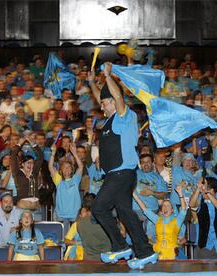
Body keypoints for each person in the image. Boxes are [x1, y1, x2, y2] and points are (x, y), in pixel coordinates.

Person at [88, 63, 157, 269]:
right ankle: (144, 251)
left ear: (113, 102)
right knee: (125, 213)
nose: (101, 106)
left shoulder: (125, 116)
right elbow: (106, 97)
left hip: (122, 174)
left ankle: (120, 246)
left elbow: (117, 97)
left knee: (98, 208)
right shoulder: (109, 121)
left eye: (104, 103)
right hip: (117, 175)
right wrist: (92, 82)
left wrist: (108, 76)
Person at [133, 185, 186, 260]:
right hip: (157, 253)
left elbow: (183, 210)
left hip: (172, 255)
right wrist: (134, 195)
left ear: (172, 210)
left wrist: (180, 194)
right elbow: (144, 209)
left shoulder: (177, 221)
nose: (165, 207)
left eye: (168, 206)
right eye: (164, 206)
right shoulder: (157, 220)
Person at [189, 177, 217, 259]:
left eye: (203, 187)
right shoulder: (200, 200)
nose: (202, 190)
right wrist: (197, 190)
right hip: (205, 246)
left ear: (212, 190)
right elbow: (191, 205)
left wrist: (207, 193)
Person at [49, 143, 83, 233]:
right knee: (60, 237)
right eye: (64, 168)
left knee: (73, 238)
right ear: (61, 170)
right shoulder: (58, 180)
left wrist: (75, 153)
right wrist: (53, 153)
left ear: (72, 169)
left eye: (68, 167)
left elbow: (81, 166)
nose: (66, 169)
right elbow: (50, 167)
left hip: (74, 214)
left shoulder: (76, 179)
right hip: (61, 214)